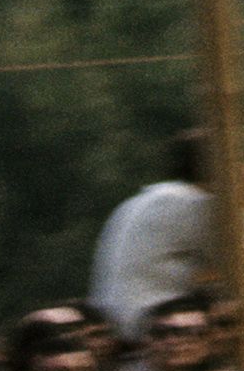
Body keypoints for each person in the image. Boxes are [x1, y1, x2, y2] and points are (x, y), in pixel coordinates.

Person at [89, 132, 220, 339]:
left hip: (117, 324)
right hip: (149, 330)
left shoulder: (146, 199)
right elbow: (239, 262)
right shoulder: (190, 202)